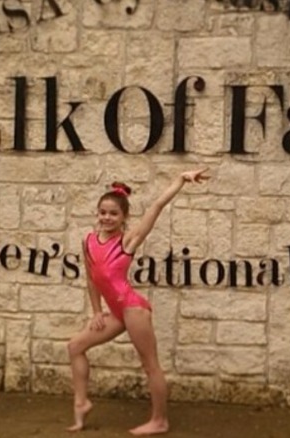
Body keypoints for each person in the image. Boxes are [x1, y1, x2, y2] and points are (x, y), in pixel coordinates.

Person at [66, 168, 210, 435]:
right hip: (117, 311)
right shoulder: (88, 241)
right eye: (103, 212)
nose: (107, 218)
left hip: (133, 309)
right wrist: (96, 311)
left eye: (113, 214)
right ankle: (82, 402)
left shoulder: (128, 241)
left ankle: (159, 420)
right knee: (75, 346)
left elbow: (156, 207)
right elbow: (91, 279)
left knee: (149, 364)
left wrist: (180, 180)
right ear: (97, 213)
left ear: (124, 218)